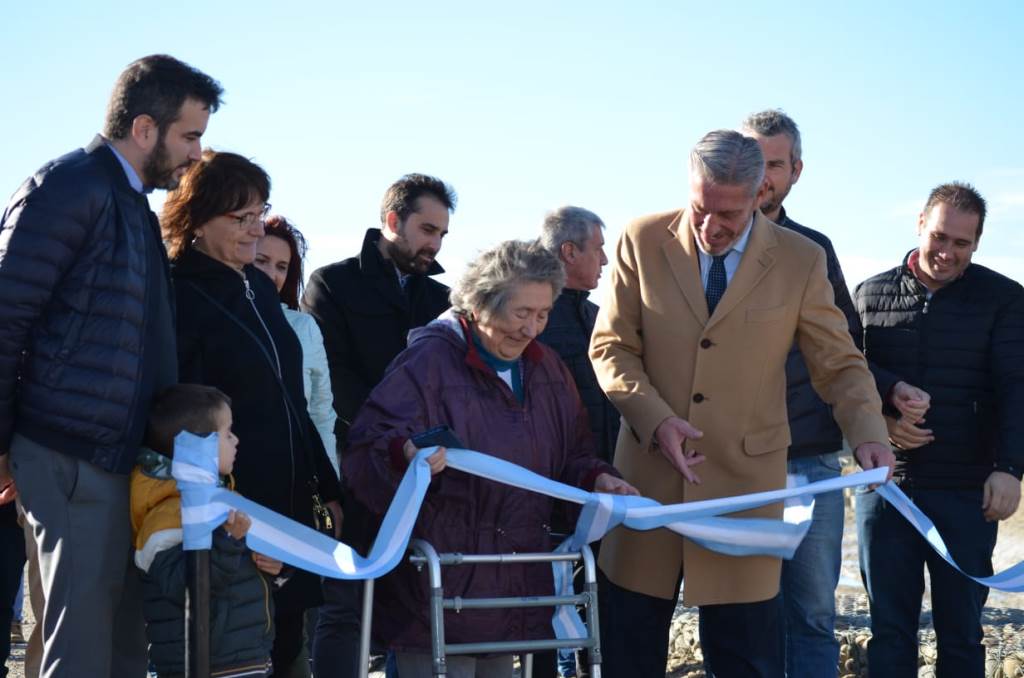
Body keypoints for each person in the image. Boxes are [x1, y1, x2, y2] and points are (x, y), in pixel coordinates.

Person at [590, 129, 894, 678]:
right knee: (628, 651)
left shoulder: (802, 259)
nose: (711, 227)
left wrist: (869, 432)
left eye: (727, 214)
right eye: (701, 208)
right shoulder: (640, 238)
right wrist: (656, 421)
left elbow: (839, 362)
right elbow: (611, 348)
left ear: (761, 194)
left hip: (747, 493)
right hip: (648, 484)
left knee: (747, 660)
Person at [0, 54, 222, 678]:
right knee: (84, 646)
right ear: (145, 129)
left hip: (112, 458)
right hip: (71, 454)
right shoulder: (70, 187)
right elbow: (6, 317)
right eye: (191, 136)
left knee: (117, 644)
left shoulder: (129, 205)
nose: (197, 154)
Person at [343, 239, 638, 678]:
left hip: (515, 591)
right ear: (480, 303)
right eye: (521, 313)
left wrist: (598, 478)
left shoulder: (546, 369)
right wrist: (402, 454)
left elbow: (573, 453)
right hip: (440, 592)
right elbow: (366, 448)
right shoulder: (428, 362)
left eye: (543, 314)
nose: (531, 330)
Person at [162, 150, 342, 677]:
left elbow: (293, 399)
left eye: (259, 213)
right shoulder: (177, 293)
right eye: (239, 218)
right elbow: (175, 414)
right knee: (234, 652)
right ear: (196, 217)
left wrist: (327, 485)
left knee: (288, 644)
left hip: (288, 499)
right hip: (229, 511)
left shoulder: (261, 288)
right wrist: (218, 513)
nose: (254, 229)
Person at [854, 182, 1024, 677]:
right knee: (889, 631)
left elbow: (1018, 386)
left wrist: (1011, 469)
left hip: (968, 492)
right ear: (919, 225)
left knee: (962, 633)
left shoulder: (1007, 300)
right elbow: (846, 375)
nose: (946, 253)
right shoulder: (868, 295)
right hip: (887, 490)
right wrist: (886, 409)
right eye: (939, 237)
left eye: (961, 244)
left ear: (977, 243)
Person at [303, 173, 456, 678]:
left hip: (428, 473)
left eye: (442, 234)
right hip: (356, 470)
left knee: (416, 605)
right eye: (427, 229)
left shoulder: (445, 301)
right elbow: (330, 378)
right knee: (347, 603)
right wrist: (389, 436)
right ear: (392, 221)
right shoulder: (332, 283)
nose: (434, 244)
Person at [741, 109, 860, 677]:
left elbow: (844, 351)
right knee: (741, 614)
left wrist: (878, 419)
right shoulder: (696, 250)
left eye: (773, 164)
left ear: (796, 171)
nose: (760, 175)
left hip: (812, 461)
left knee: (812, 614)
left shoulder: (814, 249)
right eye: (750, 161)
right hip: (732, 467)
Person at [131, 384, 280, 678]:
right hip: (207, 666)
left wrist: (273, 568)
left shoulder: (225, 502)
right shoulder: (165, 517)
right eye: (227, 434)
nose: (236, 440)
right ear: (197, 447)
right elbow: (185, 588)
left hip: (247, 658)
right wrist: (227, 540)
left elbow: (238, 579)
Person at [255, 216, 339, 477]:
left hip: (295, 473)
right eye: (261, 261)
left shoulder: (305, 327)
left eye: (282, 266)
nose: (272, 274)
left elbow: (321, 412)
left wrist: (331, 484)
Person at [538, 206, 620, 463]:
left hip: (606, 476)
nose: (605, 260)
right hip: (556, 481)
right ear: (570, 252)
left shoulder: (601, 316)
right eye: (598, 248)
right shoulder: (533, 322)